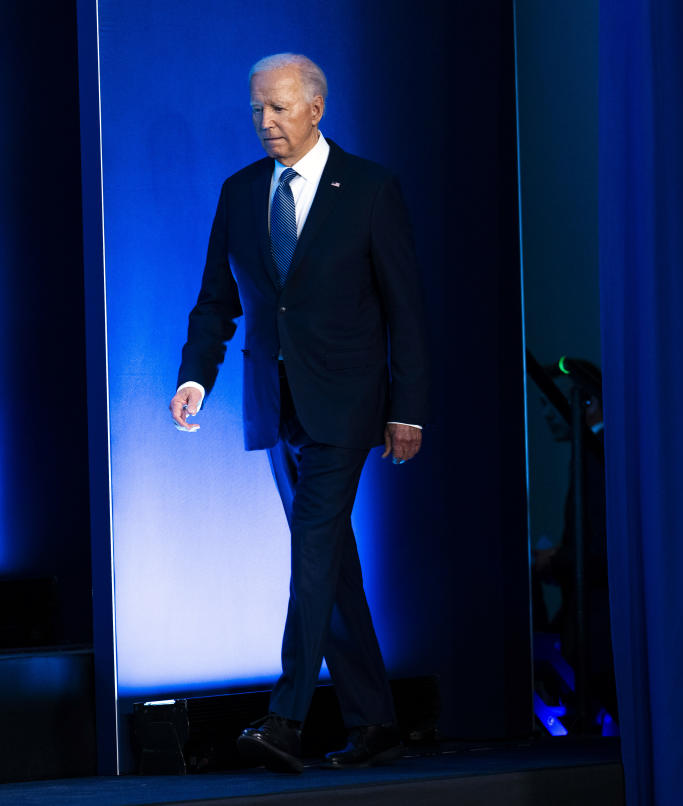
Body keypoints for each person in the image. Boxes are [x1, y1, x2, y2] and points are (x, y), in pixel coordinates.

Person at [169, 53, 430, 773]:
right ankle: (375, 722)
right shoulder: (241, 191)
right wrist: (196, 378)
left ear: (315, 108)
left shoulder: (370, 189)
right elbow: (216, 301)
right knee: (330, 563)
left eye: (279, 108)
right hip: (273, 403)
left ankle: (285, 718)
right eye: (257, 110)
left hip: (346, 404)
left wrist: (406, 408)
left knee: (312, 550)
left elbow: (405, 309)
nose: (265, 123)